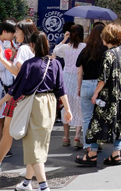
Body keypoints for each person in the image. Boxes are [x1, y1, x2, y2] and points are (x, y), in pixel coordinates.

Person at [0, 32, 72, 190]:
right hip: (50, 104)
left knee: (33, 146)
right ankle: (26, 182)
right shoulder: (55, 64)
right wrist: (67, 109)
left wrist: (1, 102)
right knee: (40, 143)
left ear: (32, 45)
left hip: (34, 104)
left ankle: (43, 186)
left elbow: (15, 89)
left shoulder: (29, 65)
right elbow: (61, 88)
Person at [76, 24, 121, 167]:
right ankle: (116, 154)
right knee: (117, 123)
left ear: (107, 37)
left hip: (106, 96)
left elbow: (103, 78)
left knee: (95, 123)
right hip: (117, 94)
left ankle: (91, 155)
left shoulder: (108, 54)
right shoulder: (120, 52)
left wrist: (96, 94)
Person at [0, 21, 38, 162]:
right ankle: (32, 171)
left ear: (24, 32)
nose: (15, 34)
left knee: (7, 132)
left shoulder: (23, 49)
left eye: (17, 31)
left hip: (19, 94)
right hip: (34, 93)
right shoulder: (35, 47)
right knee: (31, 133)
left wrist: (2, 59)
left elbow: (19, 72)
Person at [53, 24, 86, 148]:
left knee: (66, 107)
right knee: (79, 107)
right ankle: (77, 135)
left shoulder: (66, 47)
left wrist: (64, 39)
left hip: (66, 77)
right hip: (79, 78)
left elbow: (55, 51)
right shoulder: (84, 46)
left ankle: (66, 137)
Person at [75, 24, 105, 153]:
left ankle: (88, 146)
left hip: (86, 85)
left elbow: (79, 71)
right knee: (100, 118)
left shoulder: (85, 50)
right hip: (100, 86)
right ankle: (97, 143)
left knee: (87, 117)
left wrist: (79, 87)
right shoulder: (106, 51)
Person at [0, 20, 15, 138]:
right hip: (2, 84)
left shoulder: (4, 44)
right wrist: (9, 59)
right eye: (12, 32)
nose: (13, 35)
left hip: (5, 84)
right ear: (4, 31)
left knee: (3, 116)